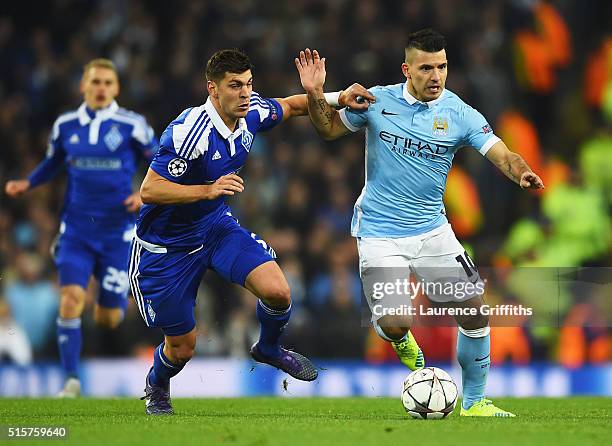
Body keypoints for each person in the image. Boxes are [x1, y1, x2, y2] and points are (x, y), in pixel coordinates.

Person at [296, 29, 545, 417]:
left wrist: (522, 172)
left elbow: (502, 153)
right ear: (407, 69)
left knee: (475, 312)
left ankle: (476, 402)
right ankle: (397, 338)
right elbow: (327, 129)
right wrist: (315, 93)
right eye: (426, 67)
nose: (436, 76)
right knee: (397, 323)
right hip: (379, 233)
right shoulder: (377, 101)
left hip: (433, 231)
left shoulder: (459, 113)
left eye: (442, 66)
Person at [130, 49, 368, 415]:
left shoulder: (251, 112)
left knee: (278, 292)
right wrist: (206, 190)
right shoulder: (188, 132)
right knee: (182, 347)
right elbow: (151, 189)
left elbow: (289, 106)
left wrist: (334, 97)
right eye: (235, 86)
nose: (245, 93)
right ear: (213, 89)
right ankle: (158, 384)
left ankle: (269, 347)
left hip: (213, 228)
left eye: (249, 84)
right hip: (167, 248)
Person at [5, 59, 157, 397]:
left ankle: (108, 303)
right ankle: (71, 380)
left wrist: (142, 195)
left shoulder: (132, 125)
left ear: (116, 88)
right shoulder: (65, 125)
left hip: (118, 233)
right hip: (76, 229)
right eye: (95, 82)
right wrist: (27, 183)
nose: (101, 88)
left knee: (108, 318)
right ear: (83, 86)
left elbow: (161, 161)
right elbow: (53, 162)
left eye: (107, 82)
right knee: (70, 298)